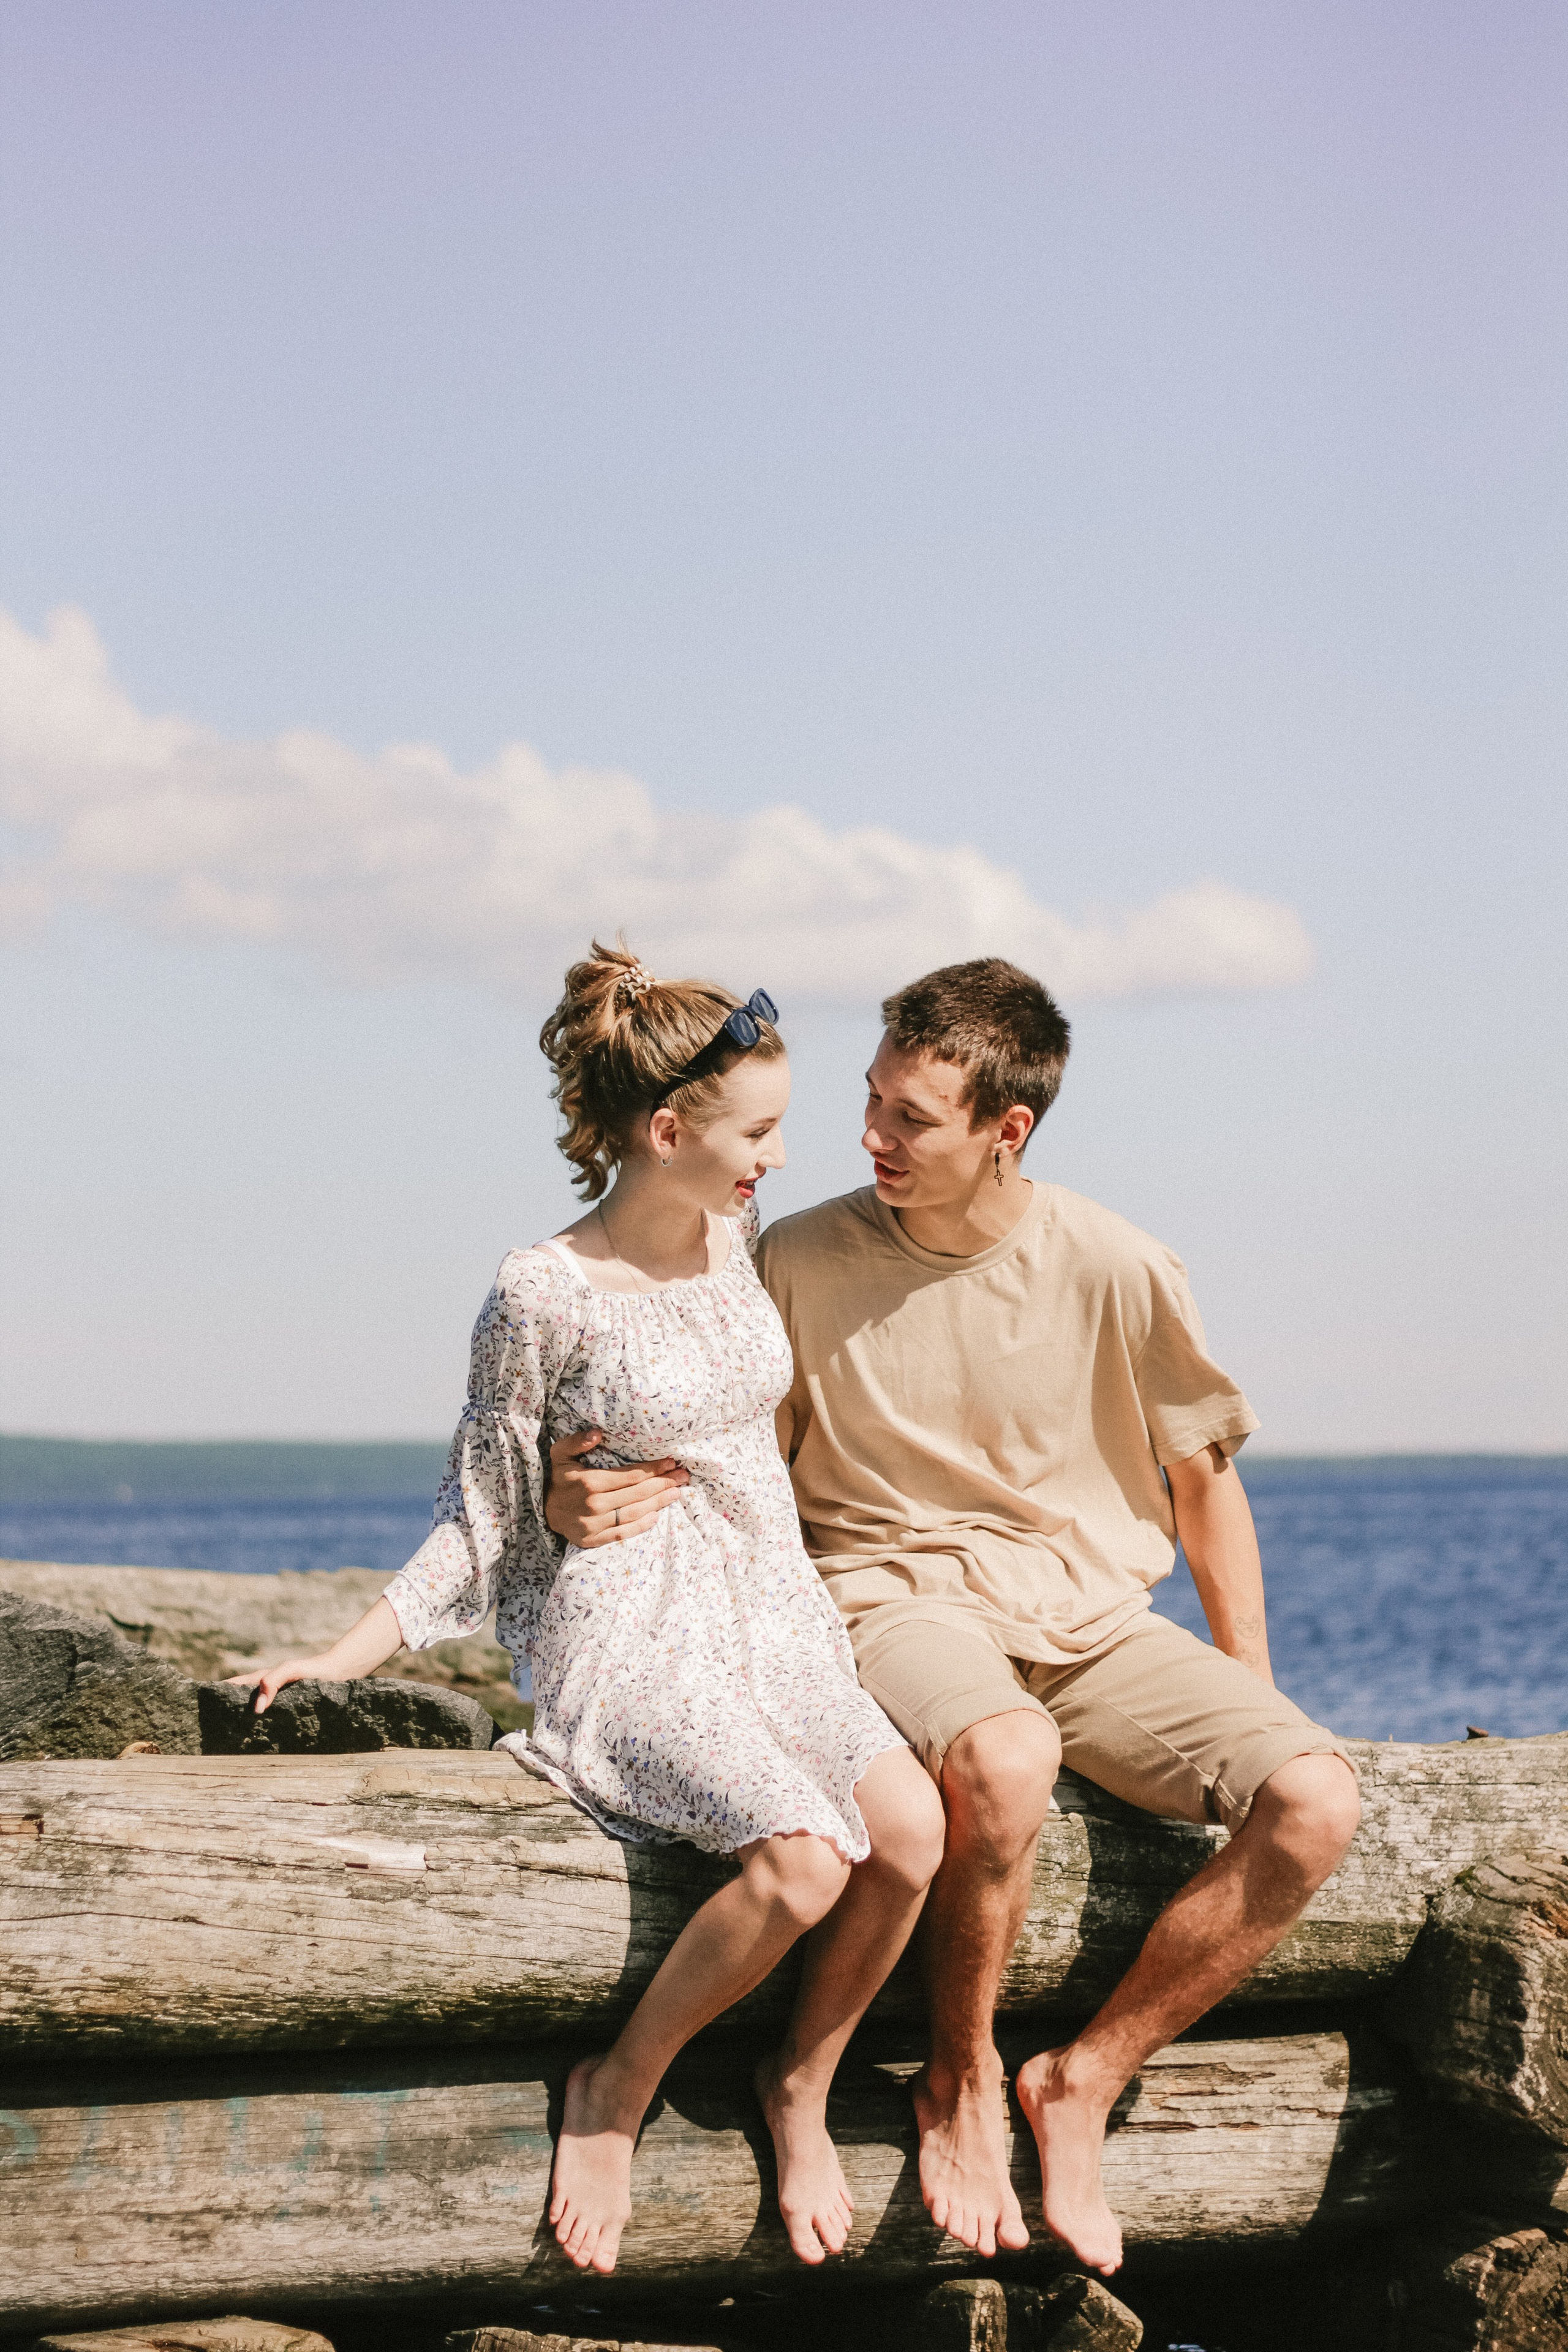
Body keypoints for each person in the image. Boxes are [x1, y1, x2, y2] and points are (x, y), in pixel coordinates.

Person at [545, 955, 1362, 2278]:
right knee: (1004, 1759)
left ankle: (1082, 2079)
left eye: (907, 1120)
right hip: (891, 1594)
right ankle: (959, 2080)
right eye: (870, 1102)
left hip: (1092, 1618)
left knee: (1317, 1800)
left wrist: (1251, 1689)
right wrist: (569, 1496)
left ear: (1006, 1130)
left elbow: (1203, 1484)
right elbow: (689, 1426)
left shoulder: (1118, 1262)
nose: (869, 1137)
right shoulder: (795, 1256)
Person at [230, 941, 945, 2280]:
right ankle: (616, 2086)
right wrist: (343, 1651)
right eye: (758, 1133)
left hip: (769, 1605)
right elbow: (485, 1510)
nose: (776, 1161)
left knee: (909, 1835)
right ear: (666, 1130)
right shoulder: (538, 1291)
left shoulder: (730, 1243)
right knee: (804, 1857)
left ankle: (798, 2081)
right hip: (624, 1619)